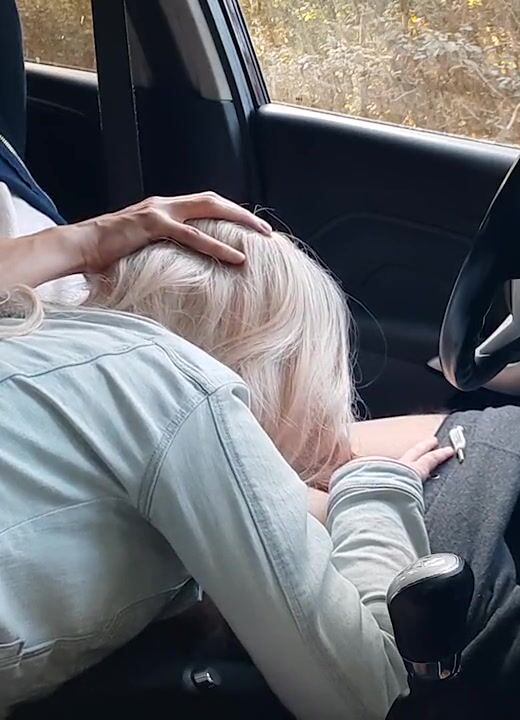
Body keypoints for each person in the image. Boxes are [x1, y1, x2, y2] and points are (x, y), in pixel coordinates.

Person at [1, 219, 458, 718]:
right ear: (280, 362)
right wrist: (376, 490)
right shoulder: (178, 384)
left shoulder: (46, 348)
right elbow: (365, 695)